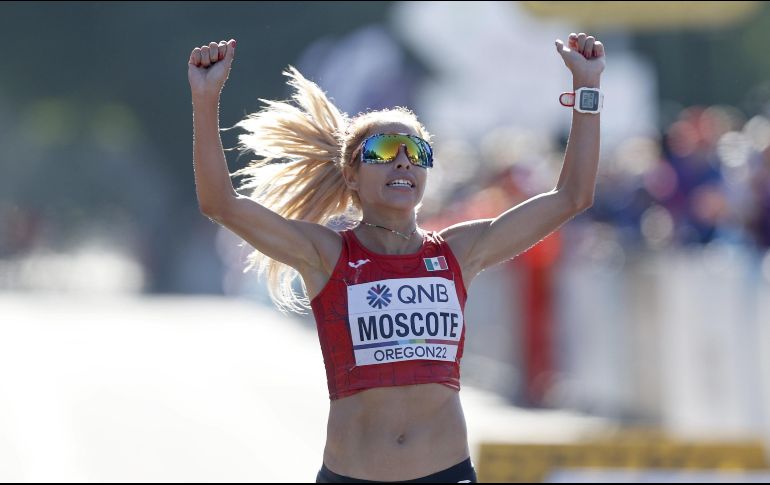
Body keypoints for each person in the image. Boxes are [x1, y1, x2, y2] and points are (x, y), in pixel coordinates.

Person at [188, 33, 605, 483]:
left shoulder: (458, 252)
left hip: (446, 472)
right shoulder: (326, 255)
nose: (402, 161)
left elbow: (571, 196)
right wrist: (205, 99)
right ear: (352, 173)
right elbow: (221, 204)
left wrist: (587, 88)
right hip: (353, 474)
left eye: (416, 152)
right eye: (384, 151)